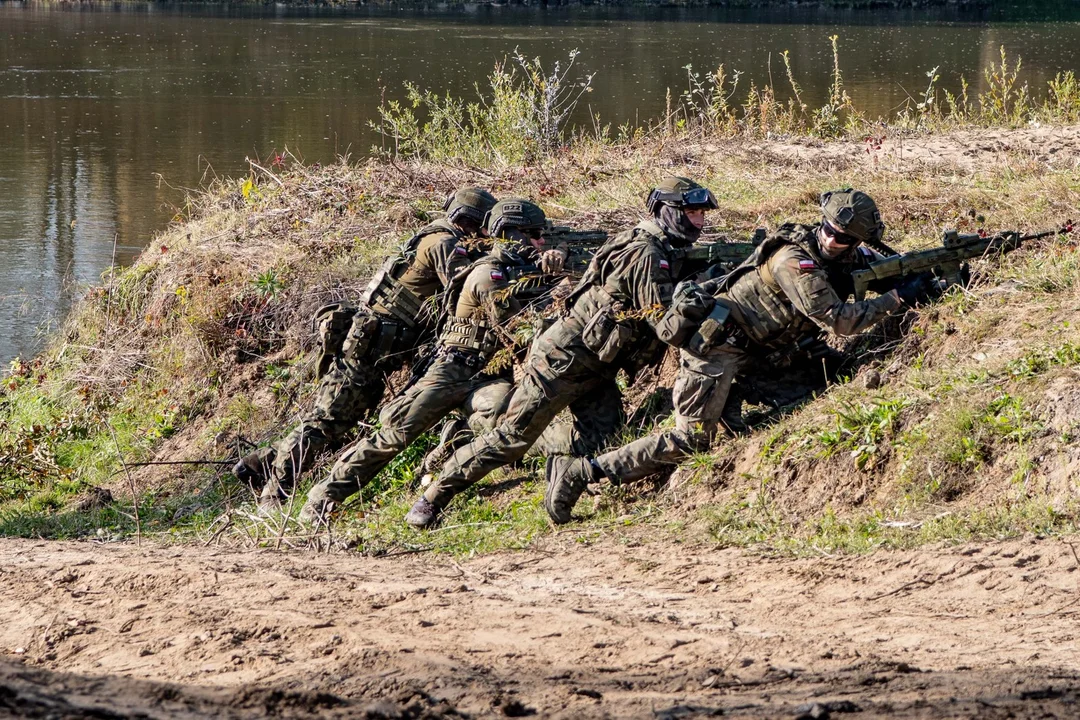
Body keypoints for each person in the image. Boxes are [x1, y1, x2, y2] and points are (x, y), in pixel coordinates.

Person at [543, 188, 933, 523]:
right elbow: (839, 321)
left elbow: (873, 270)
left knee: (831, 379)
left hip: (763, 352)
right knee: (691, 439)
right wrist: (899, 298)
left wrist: (916, 276)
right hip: (715, 351)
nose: (833, 240)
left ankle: (730, 404)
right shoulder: (794, 261)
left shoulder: (841, 256)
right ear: (821, 225)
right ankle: (583, 471)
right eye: (829, 231)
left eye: (845, 238)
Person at [403, 176, 720, 529]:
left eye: (701, 213)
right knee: (512, 438)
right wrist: (704, 292)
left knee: (606, 438)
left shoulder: (660, 248)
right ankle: (433, 497)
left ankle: (562, 472)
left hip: (597, 364)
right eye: (692, 212)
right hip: (561, 362)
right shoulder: (646, 252)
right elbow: (667, 328)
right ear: (669, 212)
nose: (699, 221)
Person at [297, 199, 570, 524]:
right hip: (449, 371)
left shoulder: (517, 269)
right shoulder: (489, 275)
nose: (541, 241)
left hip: (484, 376)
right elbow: (517, 333)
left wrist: (559, 262)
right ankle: (321, 499)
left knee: (502, 412)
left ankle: (455, 441)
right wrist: (560, 296)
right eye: (535, 234)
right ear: (510, 234)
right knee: (394, 436)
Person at [234, 186, 498, 513]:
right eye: (485, 224)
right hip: (368, 350)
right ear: (471, 221)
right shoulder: (444, 243)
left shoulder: (436, 235)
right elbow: (463, 284)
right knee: (327, 423)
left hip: (375, 349)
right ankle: (274, 493)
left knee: (339, 422)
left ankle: (258, 463)